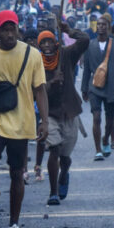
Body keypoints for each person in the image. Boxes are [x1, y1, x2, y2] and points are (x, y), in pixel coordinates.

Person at [0, 10, 48, 228]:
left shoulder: (32, 54)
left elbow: (39, 89)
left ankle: (14, 224)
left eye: (12, 29)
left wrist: (44, 121)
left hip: (21, 120)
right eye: (4, 29)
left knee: (17, 172)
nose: (8, 34)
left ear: (18, 29)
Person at [39, 24, 89, 205]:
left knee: (65, 157)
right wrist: (52, 82)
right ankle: (53, 192)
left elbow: (84, 40)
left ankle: (64, 172)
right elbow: (36, 90)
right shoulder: (36, 62)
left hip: (69, 111)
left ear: (55, 43)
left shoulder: (66, 55)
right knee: (54, 149)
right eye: (43, 42)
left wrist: (68, 30)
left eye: (49, 41)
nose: (46, 45)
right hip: (49, 113)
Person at [82, 14, 114, 161]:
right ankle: (98, 150)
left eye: (104, 25)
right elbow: (87, 69)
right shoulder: (90, 45)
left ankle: (106, 138)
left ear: (108, 28)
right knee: (96, 117)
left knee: (110, 119)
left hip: (112, 87)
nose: (101, 27)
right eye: (99, 24)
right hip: (95, 86)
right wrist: (84, 88)